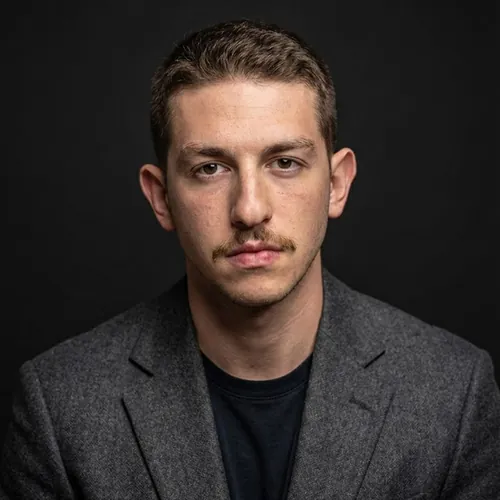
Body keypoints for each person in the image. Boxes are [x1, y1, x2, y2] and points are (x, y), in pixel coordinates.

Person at [1, 18, 499, 500]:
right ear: (161, 197)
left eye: (285, 163)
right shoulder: (60, 407)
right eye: (210, 168)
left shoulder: (454, 394)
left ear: (336, 183)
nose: (249, 210)